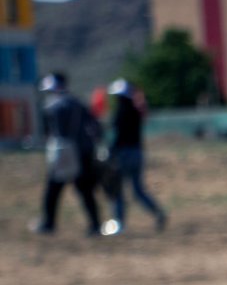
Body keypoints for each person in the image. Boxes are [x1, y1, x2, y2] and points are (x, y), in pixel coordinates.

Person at [30, 72, 103, 236]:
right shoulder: (77, 102)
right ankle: (95, 224)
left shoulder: (53, 104)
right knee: (85, 190)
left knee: (53, 189)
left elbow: (48, 129)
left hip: (63, 151)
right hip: (82, 151)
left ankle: (49, 223)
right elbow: (95, 125)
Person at [104, 78, 167, 235]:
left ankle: (118, 223)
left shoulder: (120, 111)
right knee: (138, 190)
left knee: (118, 191)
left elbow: (118, 136)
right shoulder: (135, 110)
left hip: (123, 154)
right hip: (137, 152)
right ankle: (157, 212)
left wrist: (110, 151)